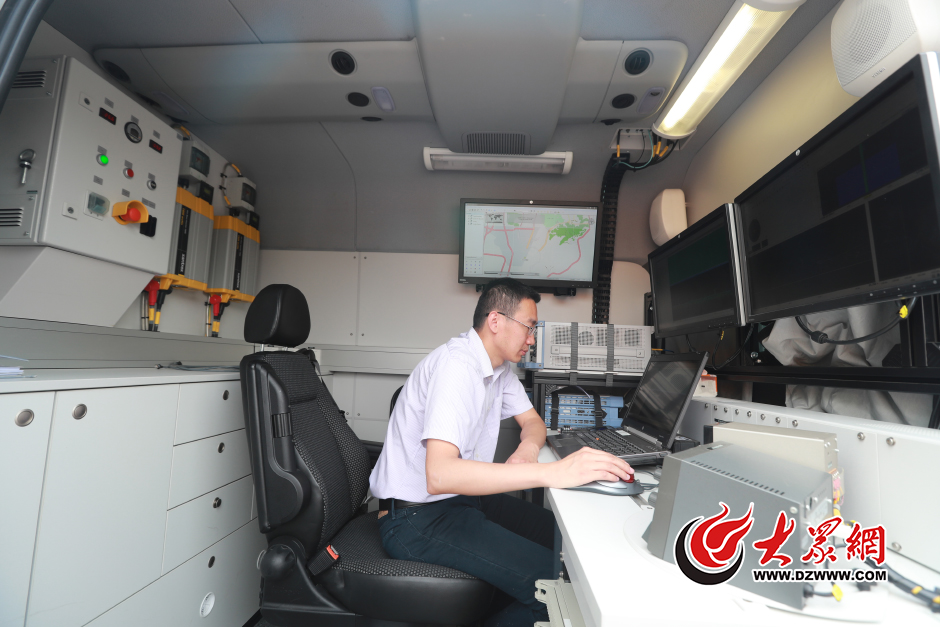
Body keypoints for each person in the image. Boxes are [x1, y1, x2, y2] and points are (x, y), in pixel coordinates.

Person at [369, 278, 634, 626]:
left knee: (567, 542)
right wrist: (552, 472)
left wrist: (527, 449)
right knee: (559, 588)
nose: (532, 339)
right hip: (415, 518)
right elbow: (440, 475)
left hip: (461, 501)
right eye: (529, 327)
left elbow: (534, 423)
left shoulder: (499, 369)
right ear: (495, 321)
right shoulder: (457, 366)